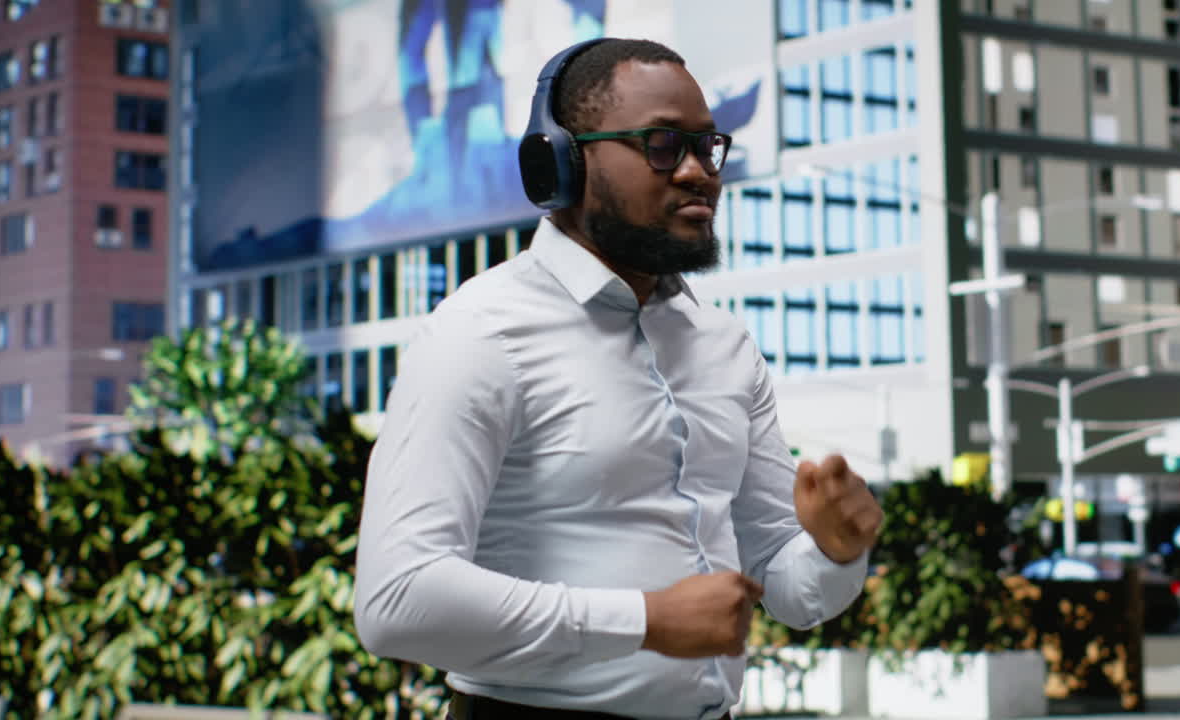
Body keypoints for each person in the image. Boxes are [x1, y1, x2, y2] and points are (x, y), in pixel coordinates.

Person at [353, 37, 883, 720]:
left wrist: (837, 552)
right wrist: (644, 620)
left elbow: (788, 585)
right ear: (561, 164)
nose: (698, 172)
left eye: (707, 146)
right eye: (662, 144)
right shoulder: (479, 333)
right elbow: (397, 601)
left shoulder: (724, 346)